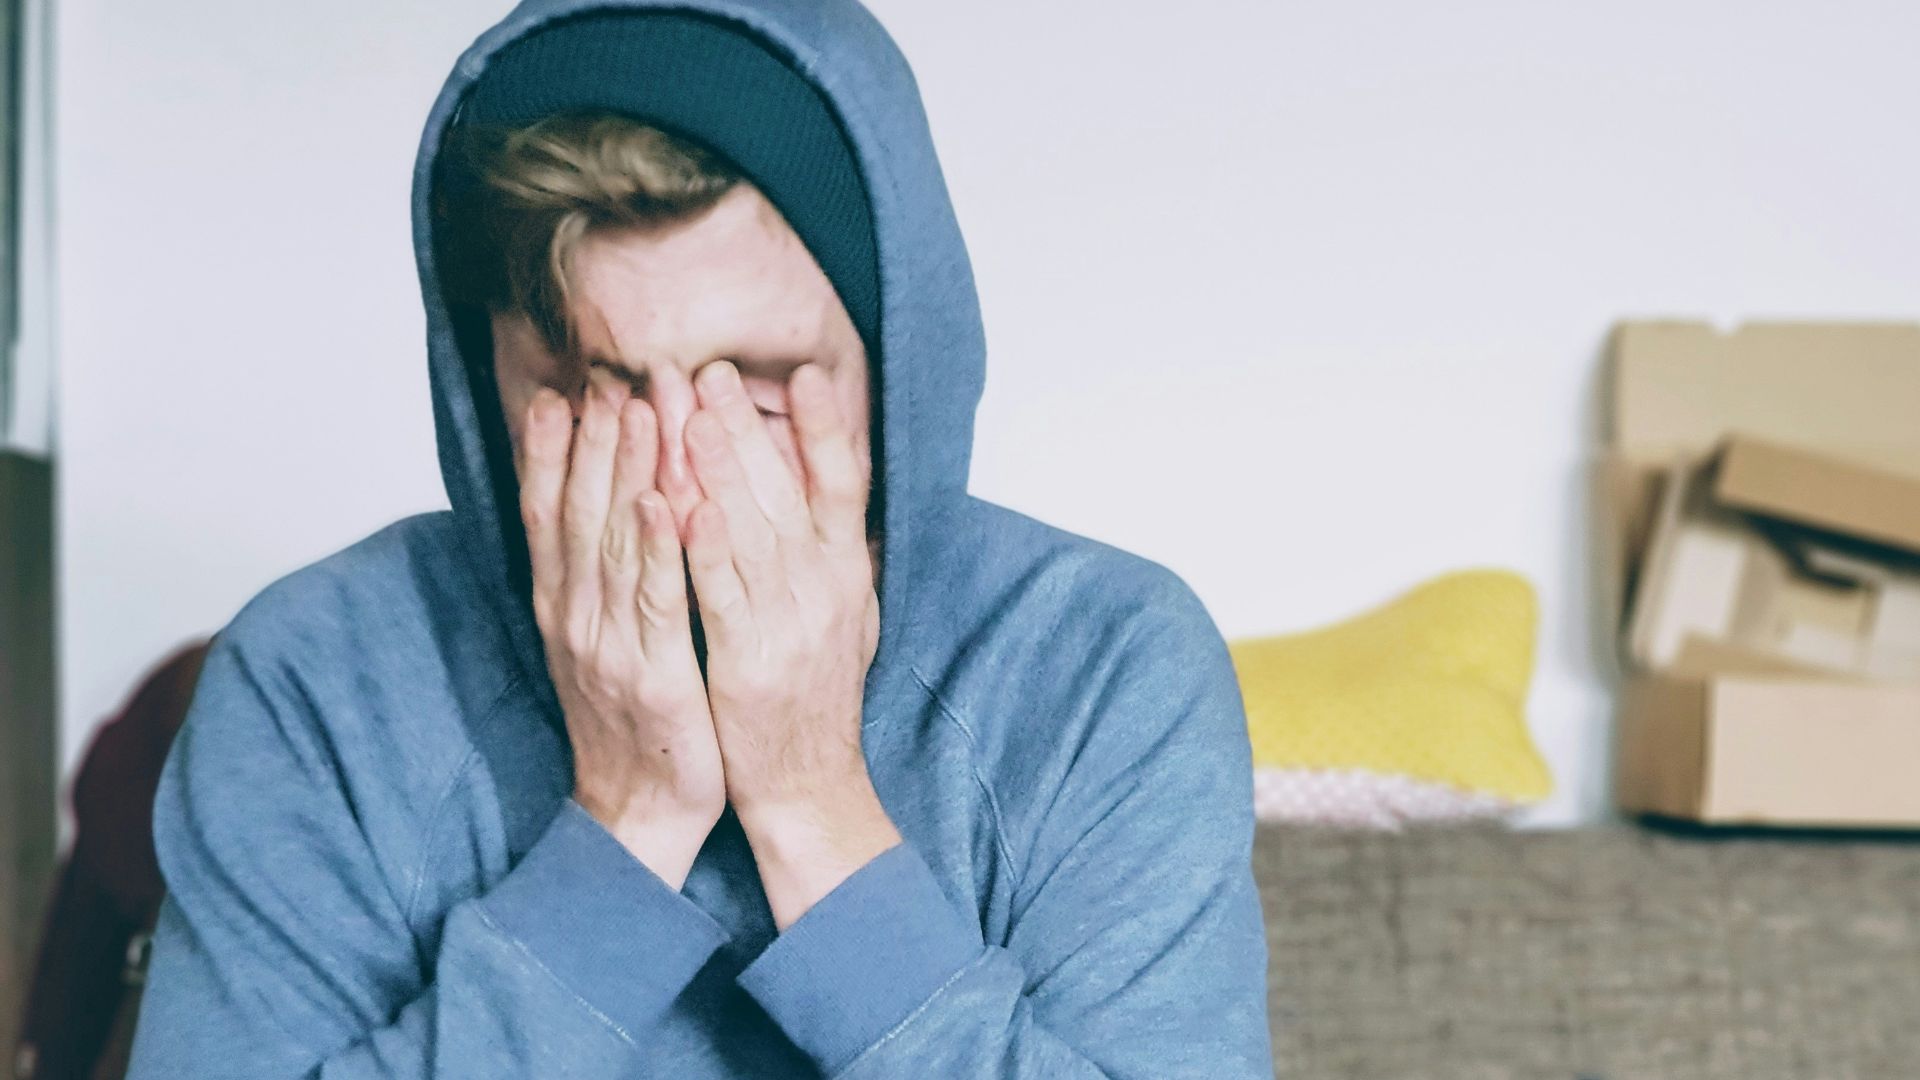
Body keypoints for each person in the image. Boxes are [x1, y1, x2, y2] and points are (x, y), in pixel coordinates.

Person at [124, 2, 1273, 1077]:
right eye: (595, 393)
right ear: (487, 388)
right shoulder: (318, 679)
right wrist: (627, 825)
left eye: (758, 394)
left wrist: (811, 805)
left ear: (895, 367)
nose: (677, 483)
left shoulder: (1107, 666)